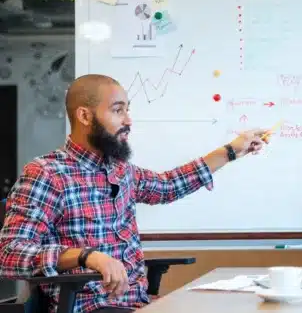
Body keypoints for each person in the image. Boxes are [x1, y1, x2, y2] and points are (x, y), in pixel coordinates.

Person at [0, 74, 271, 313]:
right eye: (118, 111)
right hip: (91, 307)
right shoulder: (46, 173)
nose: (128, 121)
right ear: (85, 116)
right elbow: (11, 254)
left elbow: (167, 187)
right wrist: (86, 256)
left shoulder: (121, 170)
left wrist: (231, 151)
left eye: (128, 110)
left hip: (138, 303)